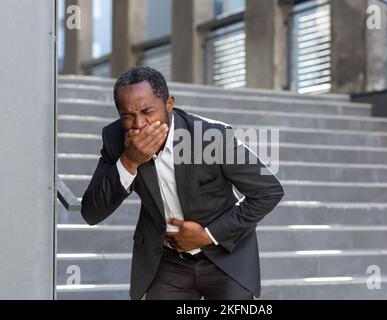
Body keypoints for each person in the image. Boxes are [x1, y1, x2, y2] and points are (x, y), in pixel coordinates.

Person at [81, 66, 284, 300]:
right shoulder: (116, 139)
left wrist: (207, 235)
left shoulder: (210, 137)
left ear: (169, 104)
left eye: (147, 111)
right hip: (168, 263)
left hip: (225, 258)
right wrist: (129, 161)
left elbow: (268, 191)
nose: (139, 124)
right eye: (127, 116)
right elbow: (91, 212)